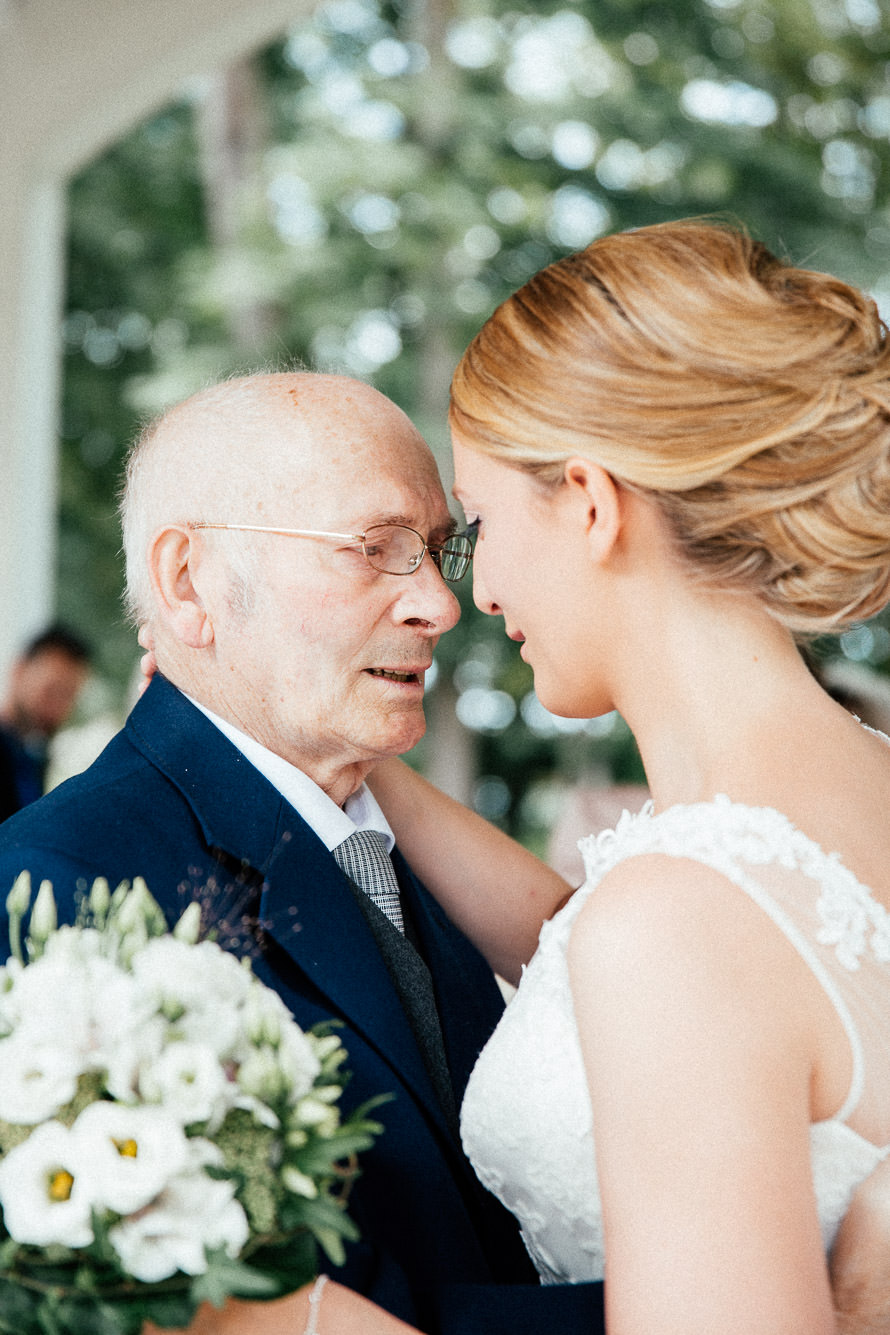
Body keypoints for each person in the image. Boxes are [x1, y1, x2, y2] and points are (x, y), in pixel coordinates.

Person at [361, 217, 890, 1335]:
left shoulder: (674, 928)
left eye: (481, 524)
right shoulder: (821, 812)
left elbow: (674, 951)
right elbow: (591, 928)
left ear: (593, 505)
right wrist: (353, 753)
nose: (476, 591)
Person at [0, 372, 603, 1335]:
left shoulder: (415, 846)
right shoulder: (62, 885)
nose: (441, 605)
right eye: (376, 549)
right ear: (188, 581)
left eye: (438, 550)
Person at [0, 624, 90, 820]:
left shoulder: (33, 757)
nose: (57, 706)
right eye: (51, 690)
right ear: (19, 670)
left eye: (68, 696)